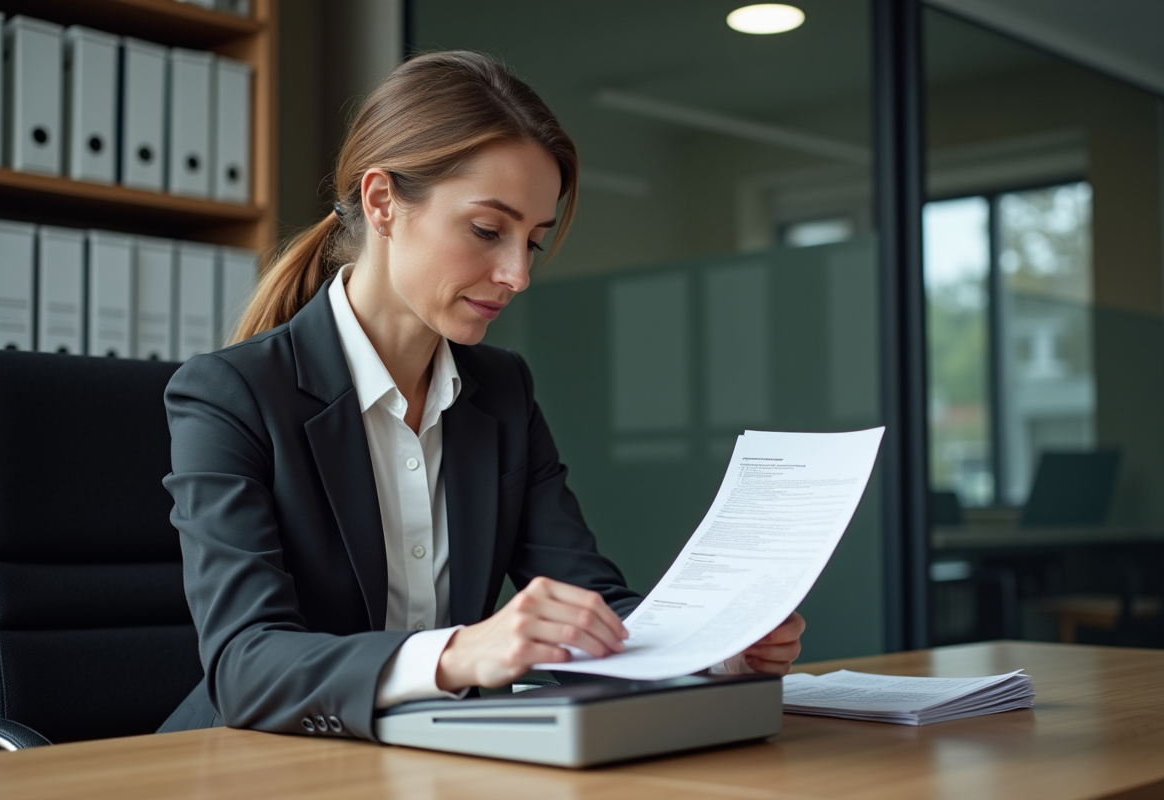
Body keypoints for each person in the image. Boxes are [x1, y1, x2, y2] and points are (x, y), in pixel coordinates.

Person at [159, 51, 805, 741]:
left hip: (427, 759)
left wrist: (712, 649)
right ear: (382, 202)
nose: (517, 273)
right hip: (249, 767)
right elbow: (244, 663)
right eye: (488, 231)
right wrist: (461, 652)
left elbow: (591, 601)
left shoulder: (501, 392)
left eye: (533, 240)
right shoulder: (232, 394)